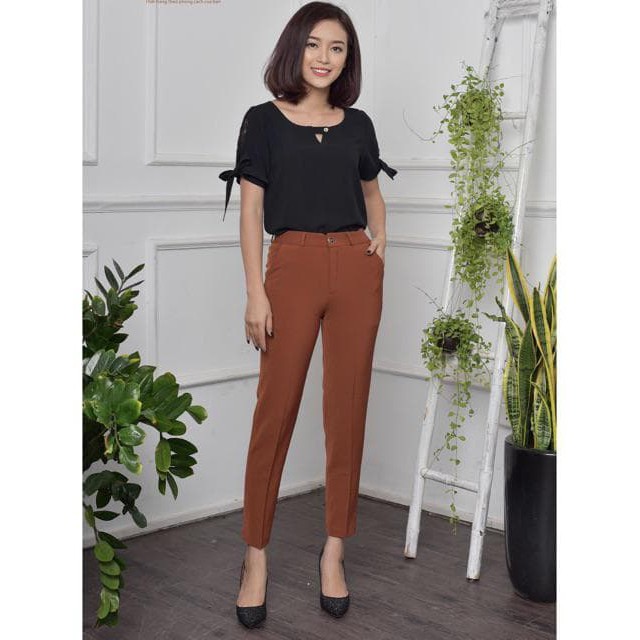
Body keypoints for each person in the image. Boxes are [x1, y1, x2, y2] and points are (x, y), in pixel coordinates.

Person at [218, 1, 397, 628]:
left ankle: (334, 552)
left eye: (338, 48)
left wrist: (378, 240)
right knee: (275, 411)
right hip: (289, 265)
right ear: (294, 48)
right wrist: (255, 292)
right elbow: (250, 212)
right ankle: (255, 558)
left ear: (348, 59)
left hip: (354, 267)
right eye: (315, 44)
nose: (325, 58)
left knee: (347, 410)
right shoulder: (262, 121)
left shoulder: (358, 125)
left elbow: (373, 193)